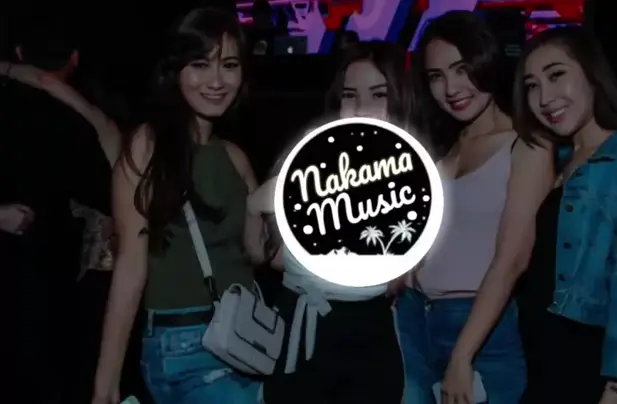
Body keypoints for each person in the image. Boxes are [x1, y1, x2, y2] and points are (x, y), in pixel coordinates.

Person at [442, 26, 617, 404]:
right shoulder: (560, 161)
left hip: (590, 365)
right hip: (543, 357)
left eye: (557, 75)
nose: (544, 98)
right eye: (532, 86)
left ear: (592, 75)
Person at [92, 8, 266, 404]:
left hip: (245, 341)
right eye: (200, 65)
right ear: (175, 71)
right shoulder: (148, 146)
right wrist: (106, 383)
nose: (217, 81)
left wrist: (265, 208)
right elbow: (130, 267)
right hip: (183, 346)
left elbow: (257, 255)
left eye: (229, 65)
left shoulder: (235, 158)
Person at [250, 40, 412, 403]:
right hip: (302, 328)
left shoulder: (414, 175)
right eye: (350, 95)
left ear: (400, 99)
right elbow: (270, 257)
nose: (362, 107)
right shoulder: (307, 161)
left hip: (370, 335)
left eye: (379, 94)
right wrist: (253, 210)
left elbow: (398, 281)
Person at [394, 11, 526, 404]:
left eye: (462, 69)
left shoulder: (524, 145)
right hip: (414, 316)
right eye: (436, 76)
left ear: (487, 61)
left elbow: (512, 261)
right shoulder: (444, 147)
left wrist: (462, 356)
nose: (451, 88)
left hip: (478, 329)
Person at [1, 16, 113, 403]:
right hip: (50, 290)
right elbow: (110, 194)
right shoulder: (82, 118)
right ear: (75, 58)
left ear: (19, 52)